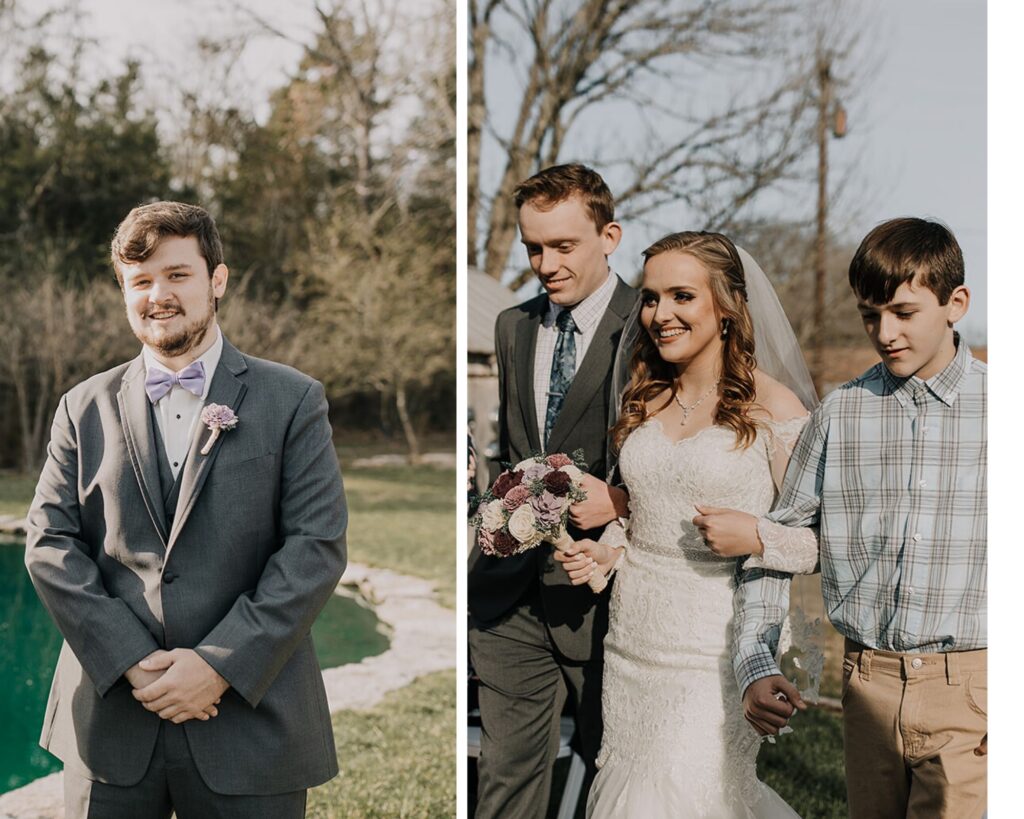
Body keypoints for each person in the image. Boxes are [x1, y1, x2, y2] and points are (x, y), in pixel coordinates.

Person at [25, 202, 348, 818]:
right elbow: (50, 544)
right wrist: (131, 660)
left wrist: (218, 665)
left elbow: (315, 547)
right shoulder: (81, 406)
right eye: (140, 281)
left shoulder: (293, 399)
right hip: (111, 722)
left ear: (216, 281)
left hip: (252, 723)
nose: (158, 295)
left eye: (177, 275)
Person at [725, 217, 986, 818]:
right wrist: (757, 661)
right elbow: (776, 542)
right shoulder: (840, 415)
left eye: (903, 312)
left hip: (974, 692)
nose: (884, 332)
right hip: (867, 686)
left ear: (956, 303)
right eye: (871, 315)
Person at [558, 231, 816, 817]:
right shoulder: (644, 400)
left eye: (682, 296)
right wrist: (606, 554)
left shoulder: (776, 410)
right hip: (631, 645)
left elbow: (826, 542)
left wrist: (757, 536)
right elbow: (644, 513)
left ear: (726, 306)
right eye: (651, 298)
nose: (660, 314)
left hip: (716, 653)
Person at [467, 163, 637, 818]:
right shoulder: (512, 326)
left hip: (607, 599)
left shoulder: (650, 328)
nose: (546, 263)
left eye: (563, 245)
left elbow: (678, 462)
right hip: (510, 602)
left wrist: (620, 506)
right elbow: (515, 456)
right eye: (534, 246)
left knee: (610, 782)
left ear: (609, 235)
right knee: (505, 790)